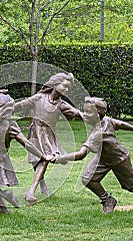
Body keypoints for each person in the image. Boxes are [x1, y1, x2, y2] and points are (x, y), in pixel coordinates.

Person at [55, 97, 133, 213]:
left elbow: (81, 154)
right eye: (85, 111)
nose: (85, 115)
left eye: (88, 112)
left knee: (131, 185)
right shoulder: (105, 120)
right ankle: (107, 200)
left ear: (98, 114)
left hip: (119, 158)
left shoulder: (98, 133)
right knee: (88, 179)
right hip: (103, 158)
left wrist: (61, 158)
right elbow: (120, 123)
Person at [14, 73, 83, 205]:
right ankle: (43, 185)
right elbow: (21, 105)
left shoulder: (61, 105)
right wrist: (4, 108)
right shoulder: (39, 98)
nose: (66, 90)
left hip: (48, 135)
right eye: (65, 86)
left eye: (68, 88)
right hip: (34, 132)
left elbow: (78, 113)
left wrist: (95, 117)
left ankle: (31, 192)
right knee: (36, 160)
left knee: (45, 159)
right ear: (55, 84)